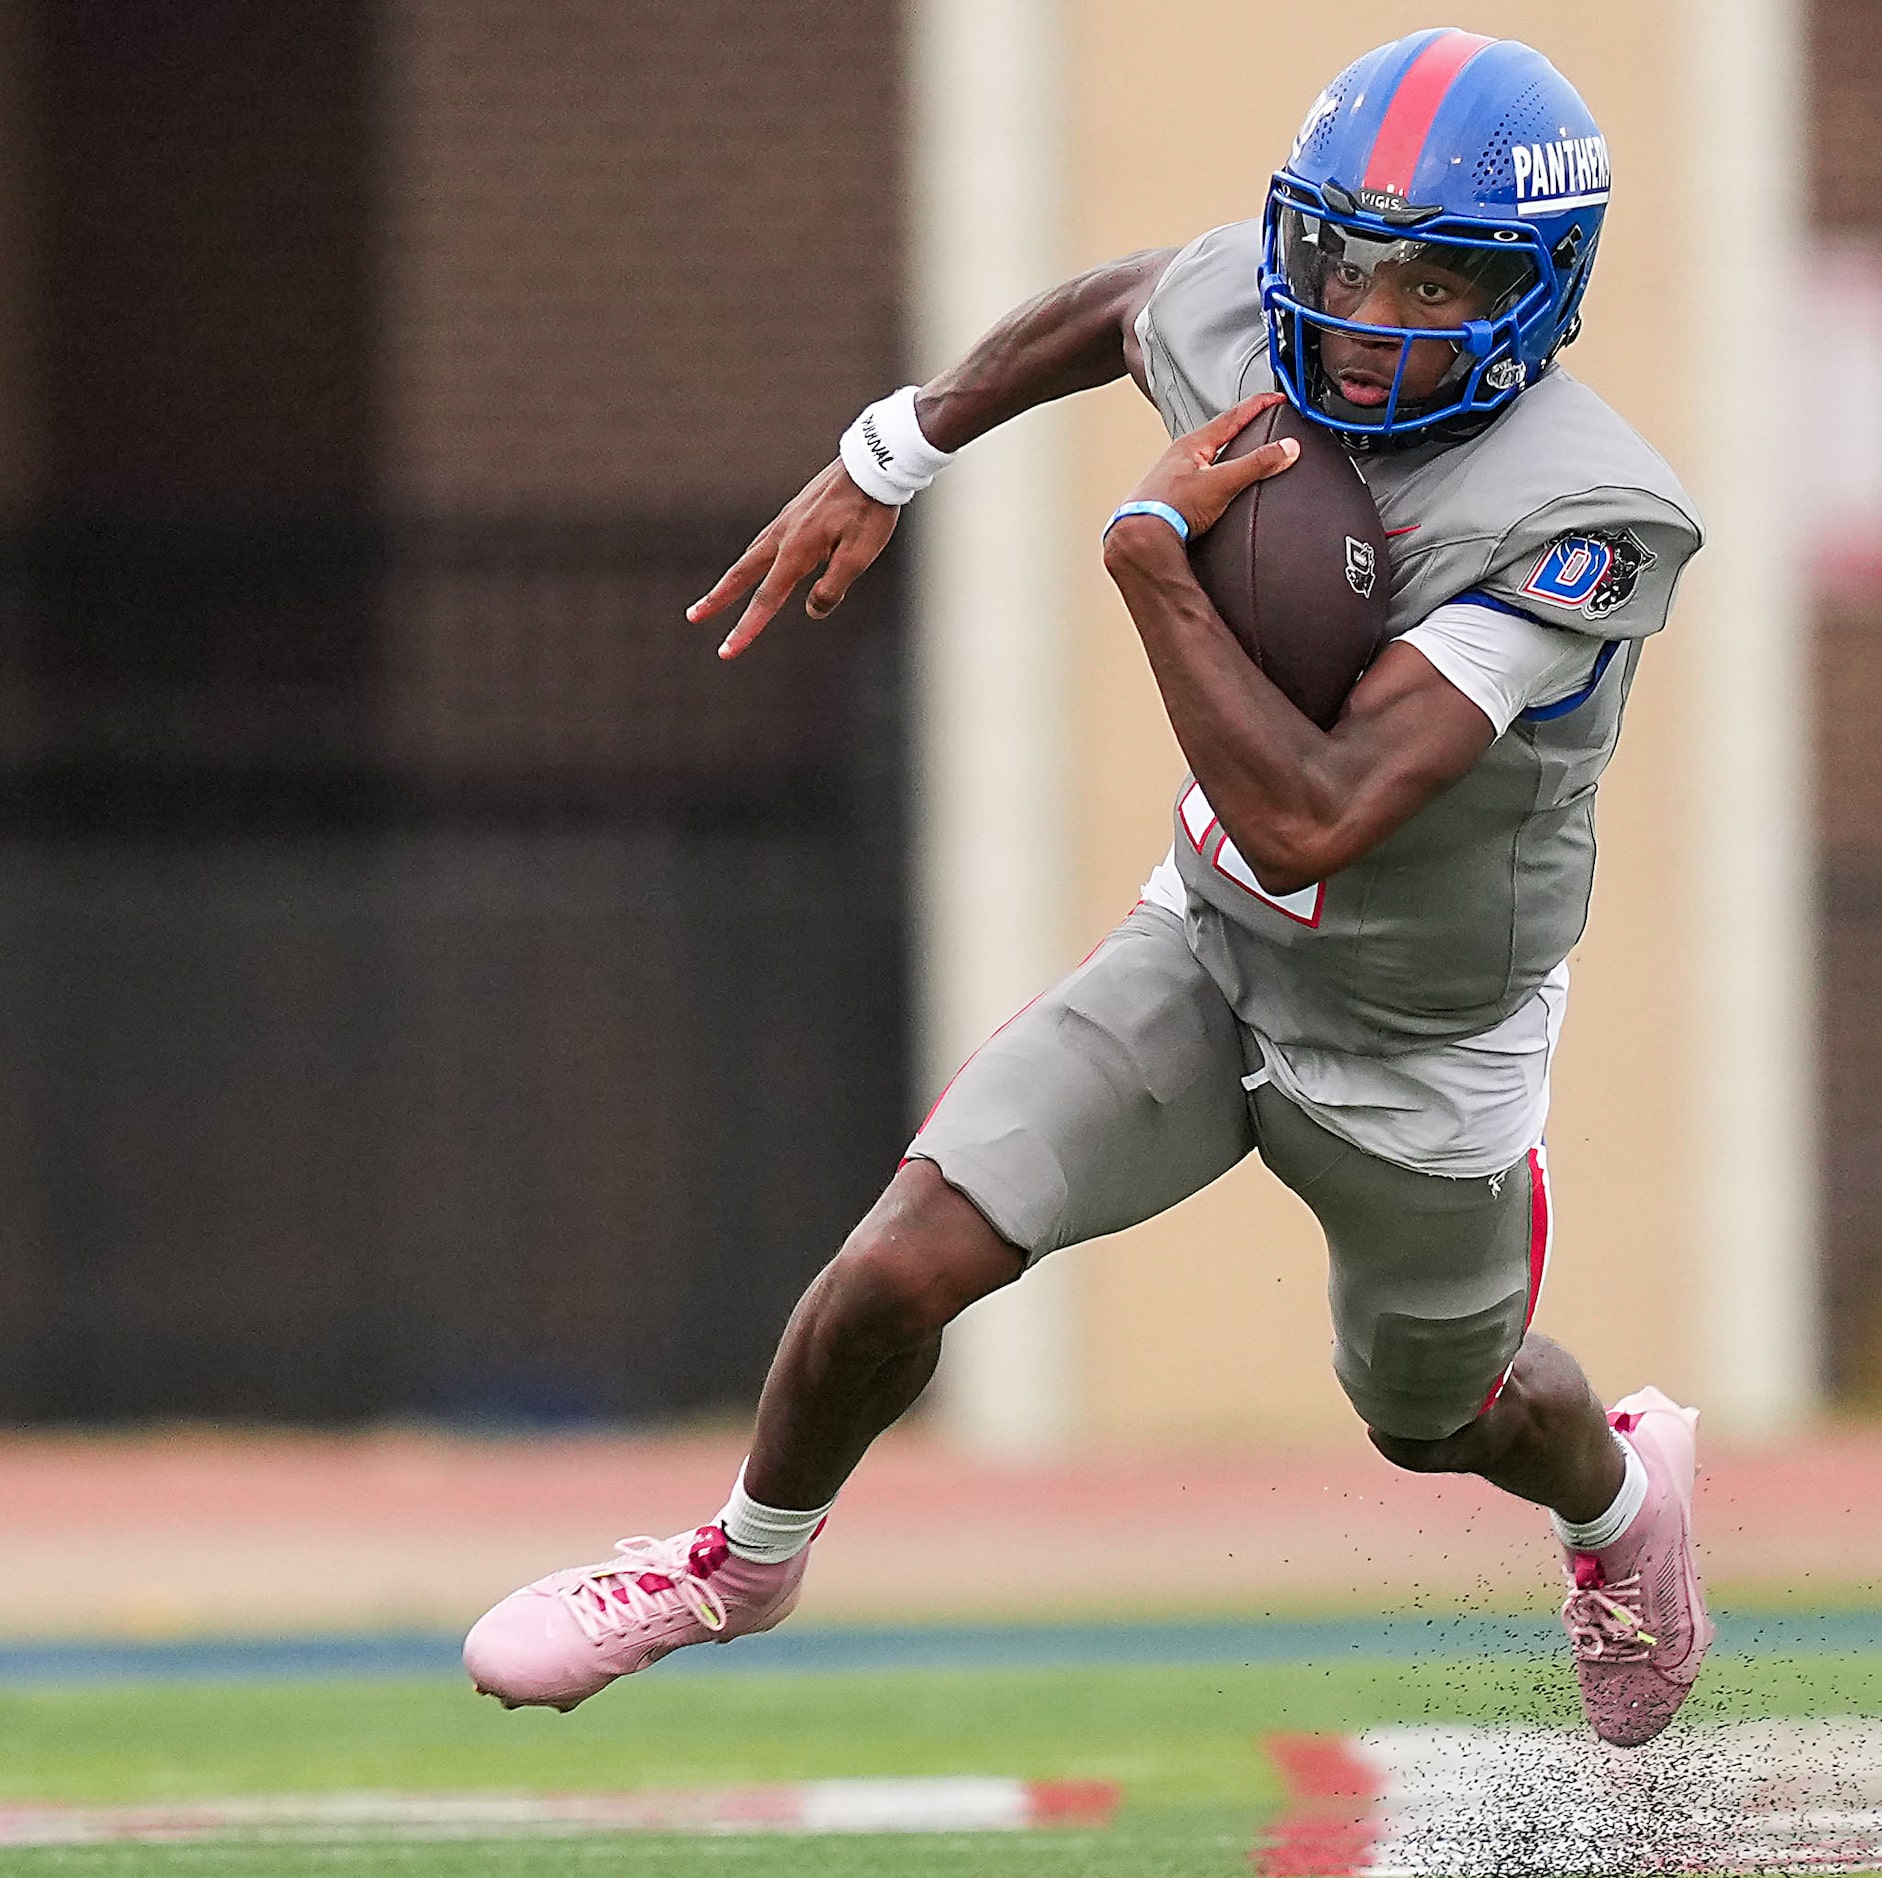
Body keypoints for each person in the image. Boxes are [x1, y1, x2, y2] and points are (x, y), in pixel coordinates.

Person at [463, 28, 1710, 1748]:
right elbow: (1133, 298)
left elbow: (1319, 814)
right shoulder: (1256, 316)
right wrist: (895, 448)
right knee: (905, 1260)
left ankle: (1618, 1509)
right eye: (1344, 257)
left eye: (1436, 281)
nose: (1366, 314)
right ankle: (735, 1565)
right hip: (1206, 950)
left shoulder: (1581, 513)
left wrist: (1151, 567)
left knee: (1442, 1418)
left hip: (1421, 1040)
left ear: (1537, 291)